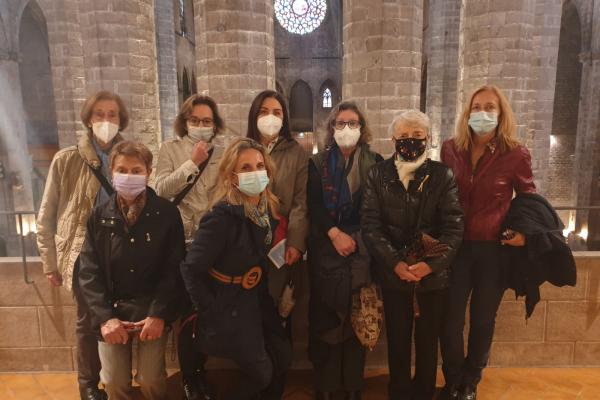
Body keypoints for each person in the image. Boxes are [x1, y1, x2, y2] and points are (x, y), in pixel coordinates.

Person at [439, 85, 536, 400]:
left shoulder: (516, 154)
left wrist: (525, 233)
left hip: (492, 249)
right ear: (467, 112)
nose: (482, 112)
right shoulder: (450, 149)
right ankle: (452, 380)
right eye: (476, 106)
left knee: (482, 320)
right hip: (455, 248)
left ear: (501, 113)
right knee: (450, 320)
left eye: (490, 107)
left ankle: (470, 383)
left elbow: (529, 199)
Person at [361, 110, 464, 400]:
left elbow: (453, 228)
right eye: (404, 136)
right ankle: (400, 392)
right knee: (398, 340)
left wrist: (429, 266)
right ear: (393, 139)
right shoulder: (377, 175)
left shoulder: (442, 175)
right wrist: (395, 263)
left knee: (428, 341)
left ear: (428, 139)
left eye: (417, 136)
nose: (410, 142)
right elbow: (371, 225)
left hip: (432, 278)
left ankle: (424, 392)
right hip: (395, 275)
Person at [180, 138, 292, 400]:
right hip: (227, 302)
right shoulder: (220, 218)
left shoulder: (265, 209)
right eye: (246, 168)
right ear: (232, 176)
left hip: (255, 297)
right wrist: (210, 307)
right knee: (262, 373)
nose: (255, 172)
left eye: (260, 165)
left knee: (283, 355)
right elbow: (190, 269)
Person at [36, 90, 128, 400]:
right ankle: (88, 385)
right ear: (89, 119)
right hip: (81, 253)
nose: (106, 120)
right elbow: (46, 215)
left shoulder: (128, 157)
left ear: (121, 119)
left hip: (119, 252)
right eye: (99, 114)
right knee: (88, 322)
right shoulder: (67, 159)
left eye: (112, 114)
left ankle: (119, 378)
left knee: (120, 314)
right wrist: (50, 262)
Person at [78, 140, 185, 400]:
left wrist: (158, 315)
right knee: (114, 382)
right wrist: (105, 318)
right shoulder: (98, 216)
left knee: (151, 380)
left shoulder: (167, 214)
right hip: (113, 312)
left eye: (136, 170)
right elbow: (89, 272)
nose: (129, 176)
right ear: (111, 172)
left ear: (148, 172)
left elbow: (174, 269)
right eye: (122, 170)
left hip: (152, 311)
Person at [307, 101, 383, 400]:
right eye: (340, 123)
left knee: (357, 314)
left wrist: (358, 240)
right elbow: (314, 204)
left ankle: (353, 385)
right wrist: (335, 233)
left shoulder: (375, 163)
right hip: (326, 248)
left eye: (353, 123)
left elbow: (377, 209)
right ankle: (325, 386)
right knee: (326, 316)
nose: (346, 128)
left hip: (361, 251)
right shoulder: (317, 164)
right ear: (332, 128)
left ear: (362, 129)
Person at [154, 94, 226, 400]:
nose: (200, 125)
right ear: (185, 122)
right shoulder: (170, 149)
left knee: (207, 312)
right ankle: (189, 376)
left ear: (215, 124)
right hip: (181, 242)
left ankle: (202, 371)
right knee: (187, 314)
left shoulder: (223, 153)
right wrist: (191, 163)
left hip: (213, 243)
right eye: (195, 120)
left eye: (206, 121)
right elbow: (160, 190)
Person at [246, 90, 308, 292]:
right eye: (263, 111)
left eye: (277, 112)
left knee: (274, 298)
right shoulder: (242, 149)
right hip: (246, 238)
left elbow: (301, 201)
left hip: (280, 239)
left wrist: (295, 242)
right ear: (254, 115)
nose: (270, 117)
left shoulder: (295, 152)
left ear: (284, 118)